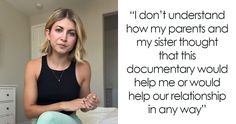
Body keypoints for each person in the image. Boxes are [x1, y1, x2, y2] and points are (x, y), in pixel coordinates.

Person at [24, 8, 99, 124]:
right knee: (46, 118)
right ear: (48, 34)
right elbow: (29, 111)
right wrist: (64, 105)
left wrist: (90, 103)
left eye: (71, 33)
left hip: (70, 121)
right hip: (41, 121)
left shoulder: (83, 67)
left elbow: (83, 106)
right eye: (59, 30)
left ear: (76, 39)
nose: (64, 38)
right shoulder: (33, 66)